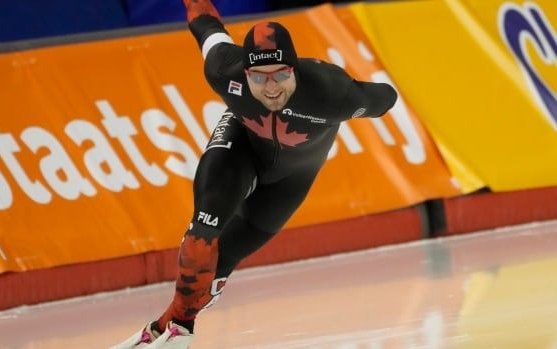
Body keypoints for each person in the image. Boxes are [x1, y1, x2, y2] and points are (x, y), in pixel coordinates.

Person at [111, 0, 397, 348]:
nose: (271, 88)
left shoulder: (332, 91)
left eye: (280, 75)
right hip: (239, 149)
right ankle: (177, 327)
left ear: (294, 69)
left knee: (226, 257)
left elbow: (386, 97)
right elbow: (206, 26)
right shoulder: (222, 70)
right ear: (244, 73)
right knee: (204, 229)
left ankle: (170, 324)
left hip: (291, 180)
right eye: (259, 78)